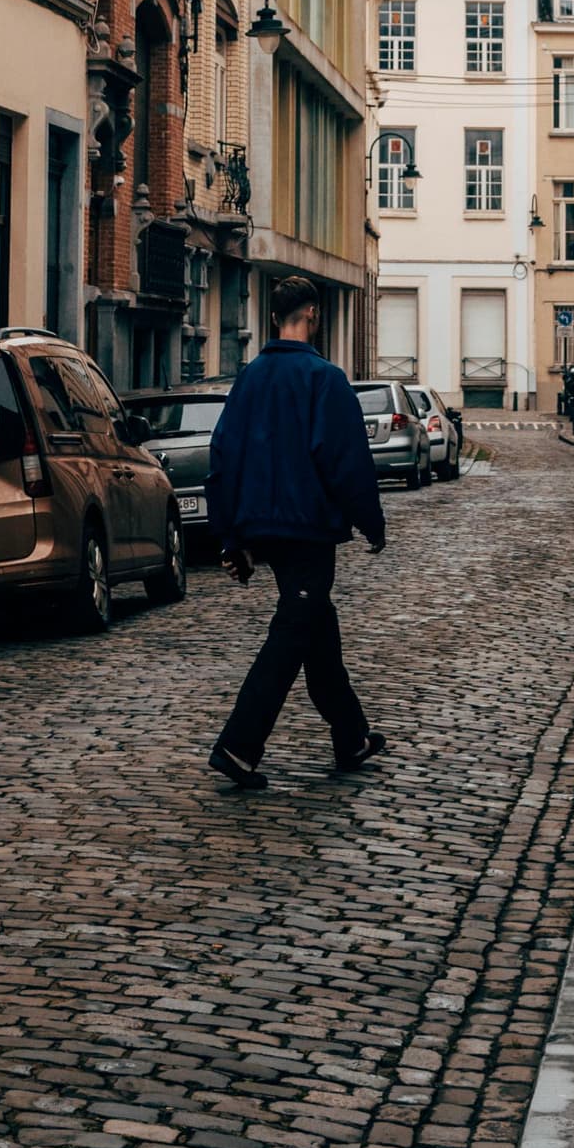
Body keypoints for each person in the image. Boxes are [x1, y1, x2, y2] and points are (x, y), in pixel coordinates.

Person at [204, 273, 388, 789]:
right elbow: (346, 460)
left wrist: (231, 536)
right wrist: (369, 520)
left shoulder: (249, 379)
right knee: (291, 633)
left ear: (272, 319)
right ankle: (239, 746)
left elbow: (223, 458)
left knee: (315, 627)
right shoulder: (324, 379)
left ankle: (351, 737)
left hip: (264, 530)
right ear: (311, 315)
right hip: (307, 531)